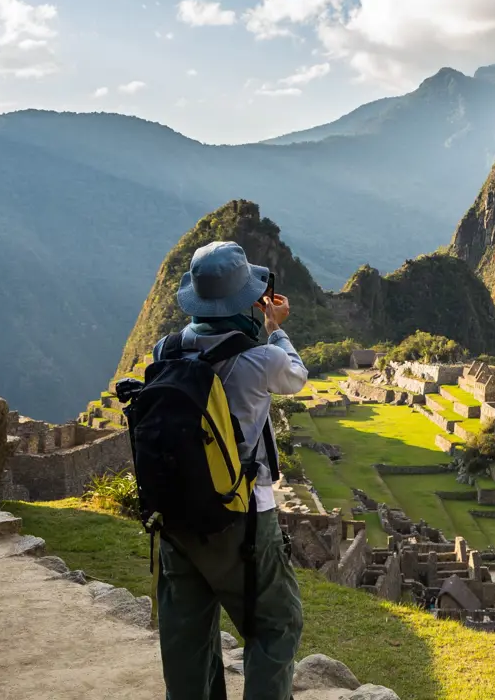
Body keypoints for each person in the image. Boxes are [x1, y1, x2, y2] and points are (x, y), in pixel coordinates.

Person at [154, 240, 309, 700]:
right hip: (241, 517)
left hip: (175, 515)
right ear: (245, 301)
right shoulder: (262, 360)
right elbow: (297, 378)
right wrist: (275, 328)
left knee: (186, 634)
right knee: (277, 625)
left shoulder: (167, 349)